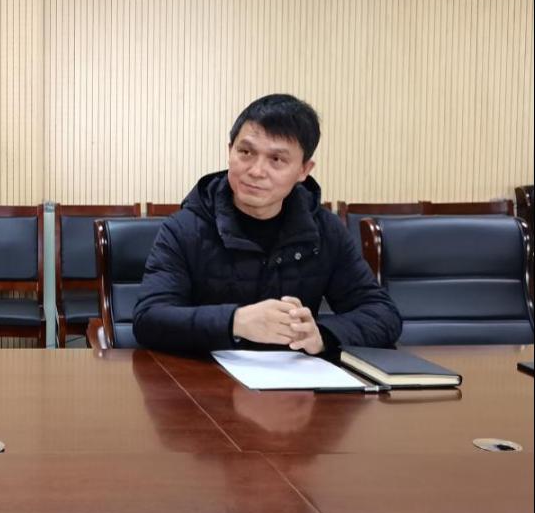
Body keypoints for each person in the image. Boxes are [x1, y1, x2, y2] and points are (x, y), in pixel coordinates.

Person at [133, 94, 401, 356]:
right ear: (229, 151)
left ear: (303, 170)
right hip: (205, 377)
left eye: (277, 160)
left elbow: (382, 314)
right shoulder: (185, 228)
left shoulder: (325, 231)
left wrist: (322, 335)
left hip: (296, 379)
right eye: (245, 152)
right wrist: (235, 321)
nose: (256, 171)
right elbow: (149, 319)